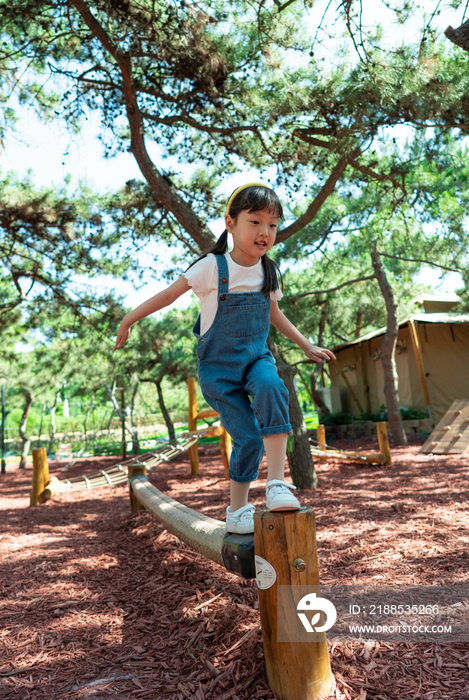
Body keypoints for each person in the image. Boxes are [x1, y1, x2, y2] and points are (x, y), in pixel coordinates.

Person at [114, 183, 336, 534]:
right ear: (230, 224)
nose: (265, 232)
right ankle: (238, 509)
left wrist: (306, 344)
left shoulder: (268, 270)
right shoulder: (210, 268)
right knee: (248, 438)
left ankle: (277, 484)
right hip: (219, 373)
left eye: (273, 225)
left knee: (272, 386)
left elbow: (274, 314)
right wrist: (129, 320)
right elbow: (169, 296)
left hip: (255, 358)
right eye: (255, 222)